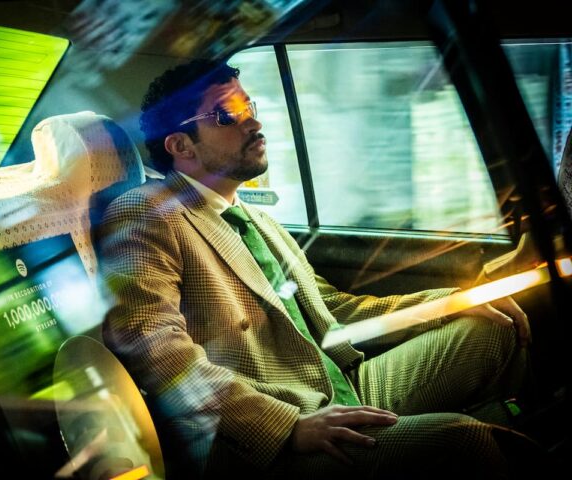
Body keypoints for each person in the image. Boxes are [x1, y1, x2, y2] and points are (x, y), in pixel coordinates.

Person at [98, 59, 532, 479]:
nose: (254, 123)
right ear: (180, 145)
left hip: (339, 380)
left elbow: (330, 309)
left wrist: (451, 303)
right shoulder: (146, 213)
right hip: (274, 424)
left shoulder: (255, 218)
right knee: (461, 440)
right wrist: (286, 427)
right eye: (227, 115)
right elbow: (155, 349)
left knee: (492, 328)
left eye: (249, 107)